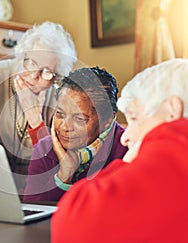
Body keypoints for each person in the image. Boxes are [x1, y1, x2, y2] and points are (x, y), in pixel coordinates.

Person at [51, 58, 188, 243]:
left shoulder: (172, 154)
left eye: (134, 118)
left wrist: (125, 163)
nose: (126, 137)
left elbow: (72, 224)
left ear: (172, 110)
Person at [0, 21, 77, 191]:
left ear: (56, 77)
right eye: (31, 63)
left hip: (35, 193)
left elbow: (54, 167)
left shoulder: (59, 100)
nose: (34, 76)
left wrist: (35, 118)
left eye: (46, 72)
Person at [23, 67, 128, 202]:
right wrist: (64, 175)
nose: (65, 127)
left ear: (107, 120)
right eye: (60, 114)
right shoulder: (44, 148)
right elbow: (32, 209)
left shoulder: (129, 150)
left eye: (79, 119)